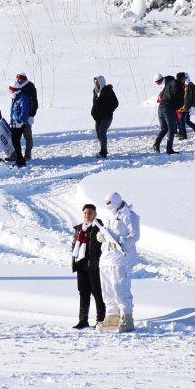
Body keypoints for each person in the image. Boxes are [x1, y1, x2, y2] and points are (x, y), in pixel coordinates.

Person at [94, 191, 140, 332]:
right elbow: (105, 232)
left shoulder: (129, 216)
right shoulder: (109, 216)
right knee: (107, 289)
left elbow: (135, 235)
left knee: (120, 288)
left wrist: (121, 241)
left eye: (109, 202)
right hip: (106, 258)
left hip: (120, 259)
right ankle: (112, 315)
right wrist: (101, 235)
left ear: (116, 201)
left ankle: (127, 317)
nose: (107, 205)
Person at [71, 204, 105, 330]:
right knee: (83, 292)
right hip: (81, 264)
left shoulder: (100, 228)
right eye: (85, 212)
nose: (87, 215)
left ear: (95, 214)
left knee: (97, 292)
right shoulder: (79, 229)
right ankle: (83, 320)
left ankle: (100, 320)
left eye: (90, 213)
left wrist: (97, 258)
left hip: (94, 265)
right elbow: (75, 245)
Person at [152, 73, 181, 154]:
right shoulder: (171, 84)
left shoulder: (170, 83)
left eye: (158, 81)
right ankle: (168, 149)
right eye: (156, 82)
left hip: (163, 108)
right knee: (169, 129)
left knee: (165, 129)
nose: (157, 83)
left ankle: (157, 144)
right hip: (167, 108)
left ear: (162, 79)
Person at [91, 75, 119, 158]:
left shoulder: (108, 91)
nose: (96, 84)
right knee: (99, 134)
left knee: (102, 132)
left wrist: (108, 110)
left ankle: (103, 152)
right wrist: (93, 112)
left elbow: (115, 103)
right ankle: (103, 148)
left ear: (101, 82)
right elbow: (95, 104)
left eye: (98, 82)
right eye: (95, 82)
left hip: (107, 117)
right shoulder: (95, 91)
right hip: (98, 117)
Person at [15, 72, 38, 160]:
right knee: (16, 137)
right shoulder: (17, 87)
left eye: (19, 79)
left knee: (28, 136)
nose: (17, 80)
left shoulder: (30, 87)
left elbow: (34, 103)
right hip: (18, 117)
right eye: (17, 79)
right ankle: (17, 155)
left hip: (27, 116)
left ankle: (28, 155)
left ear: (24, 79)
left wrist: (31, 115)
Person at [8, 80, 29, 167]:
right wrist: (11, 119)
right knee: (14, 142)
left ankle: (20, 161)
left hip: (19, 124)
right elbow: (13, 111)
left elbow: (25, 110)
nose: (9, 92)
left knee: (15, 141)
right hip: (14, 123)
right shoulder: (15, 97)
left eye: (10, 90)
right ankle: (20, 160)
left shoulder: (22, 97)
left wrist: (20, 120)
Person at [176, 72, 195, 139]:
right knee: (181, 120)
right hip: (181, 106)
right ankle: (184, 135)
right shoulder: (182, 85)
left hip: (188, 106)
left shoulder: (192, 86)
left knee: (186, 121)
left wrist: (193, 106)